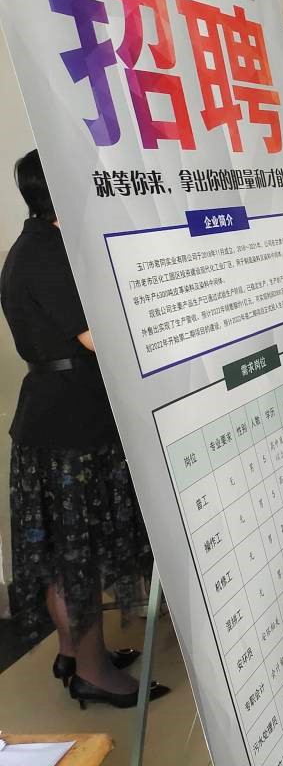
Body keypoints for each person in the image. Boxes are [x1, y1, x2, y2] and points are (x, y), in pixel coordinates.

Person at [1, 150, 168, 709]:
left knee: (69, 550)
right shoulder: (48, 255)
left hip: (61, 418)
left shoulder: (39, 245)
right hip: (69, 427)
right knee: (78, 554)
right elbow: (99, 338)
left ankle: (73, 653)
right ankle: (92, 673)